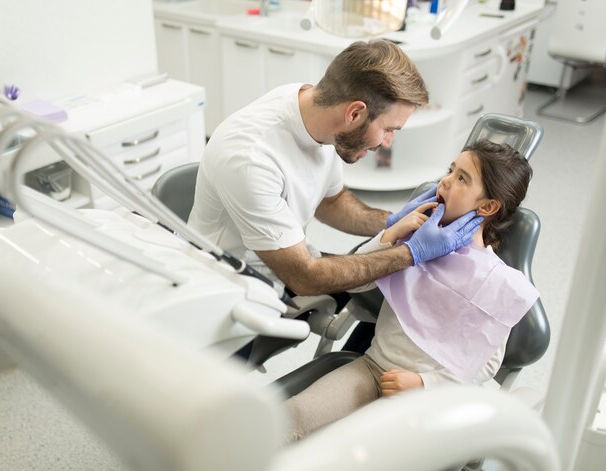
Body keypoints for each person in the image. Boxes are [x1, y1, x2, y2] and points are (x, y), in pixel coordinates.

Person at [189, 39, 482, 355]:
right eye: (389, 129)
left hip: (282, 259)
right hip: (229, 293)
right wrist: (410, 253)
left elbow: (332, 201)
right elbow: (305, 277)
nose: (387, 143)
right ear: (355, 112)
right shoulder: (251, 158)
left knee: (390, 289)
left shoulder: (316, 109)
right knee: (392, 276)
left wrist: (396, 222)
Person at [282, 139, 540, 442]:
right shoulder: (415, 242)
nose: (444, 181)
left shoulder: (497, 283)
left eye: (461, 178)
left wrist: (424, 383)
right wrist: (391, 234)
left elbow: (487, 363)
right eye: (450, 170)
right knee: (288, 418)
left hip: (424, 401)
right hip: (370, 367)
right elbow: (353, 281)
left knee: (347, 449)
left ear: (487, 206)